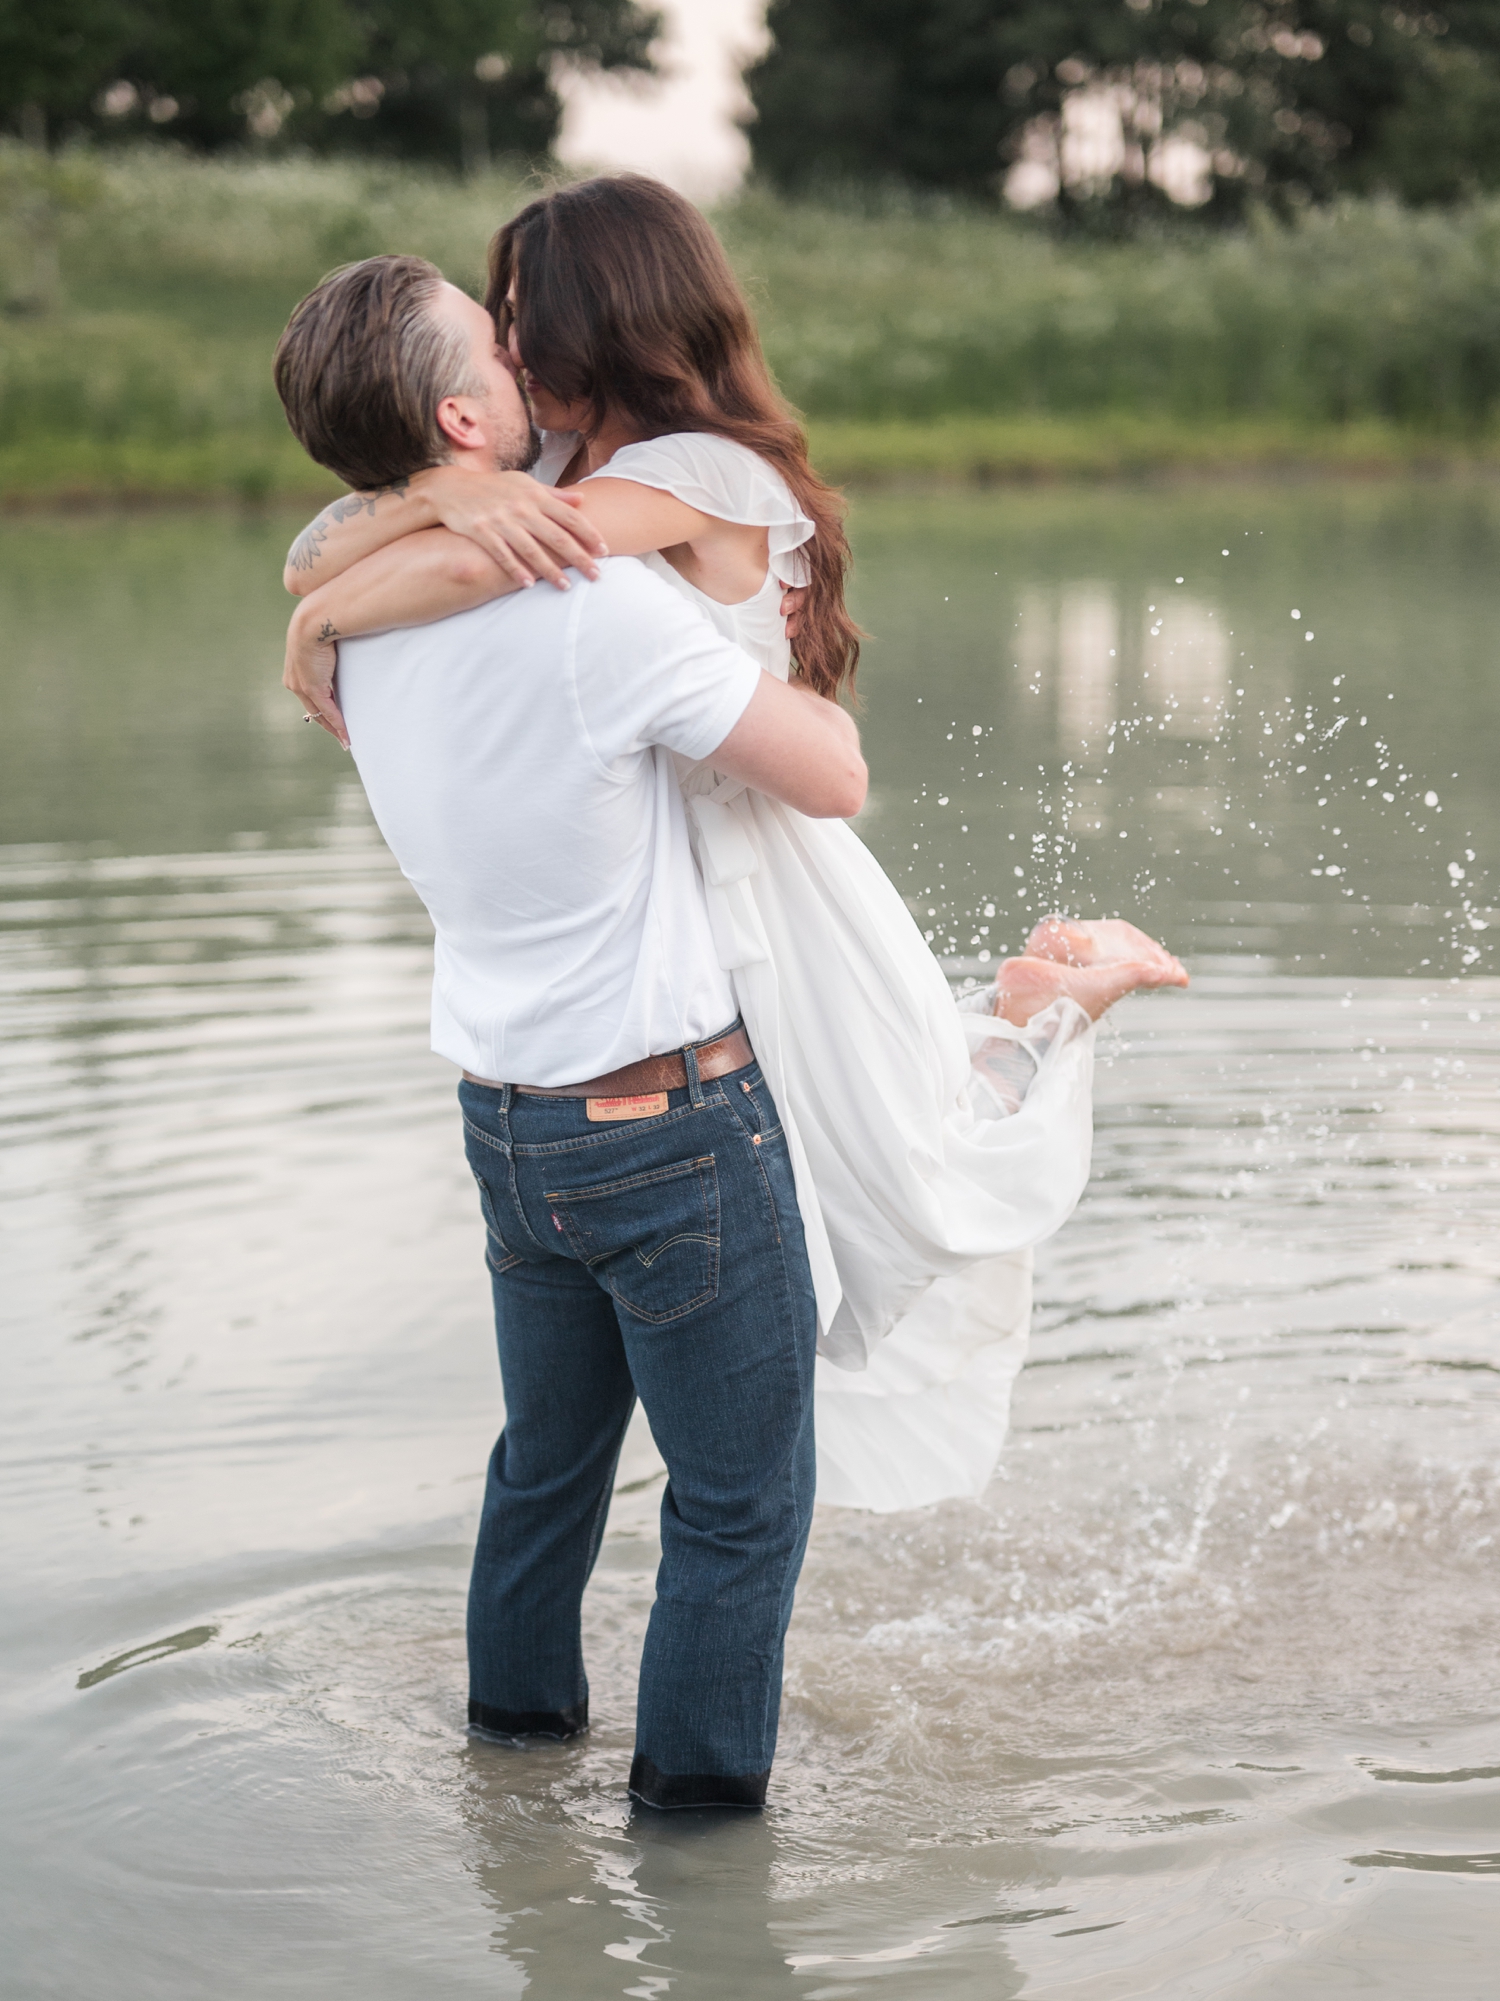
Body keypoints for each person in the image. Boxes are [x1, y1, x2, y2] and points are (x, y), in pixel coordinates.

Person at [279, 176, 1187, 1515]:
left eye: (527, 319)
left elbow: (467, 571)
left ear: (611, 319)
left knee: (902, 1184)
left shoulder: (705, 476)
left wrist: (321, 624)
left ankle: (1047, 1013)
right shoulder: (551, 468)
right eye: (500, 328)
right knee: (844, 1168)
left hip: (768, 869)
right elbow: (315, 542)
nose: (513, 349)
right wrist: (437, 499)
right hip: (677, 886)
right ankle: (1017, 1015)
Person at [272, 252, 868, 1810]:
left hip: (511, 1126)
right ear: (468, 419)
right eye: (496, 342)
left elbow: (326, 549)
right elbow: (832, 778)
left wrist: (396, 536)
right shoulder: (594, 607)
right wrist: (802, 667)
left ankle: (514, 1765)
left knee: (545, 1470)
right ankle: (696, 1848)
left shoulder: (367, 632)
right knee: (740, 1509)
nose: (528, 355)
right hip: (670, 1128)